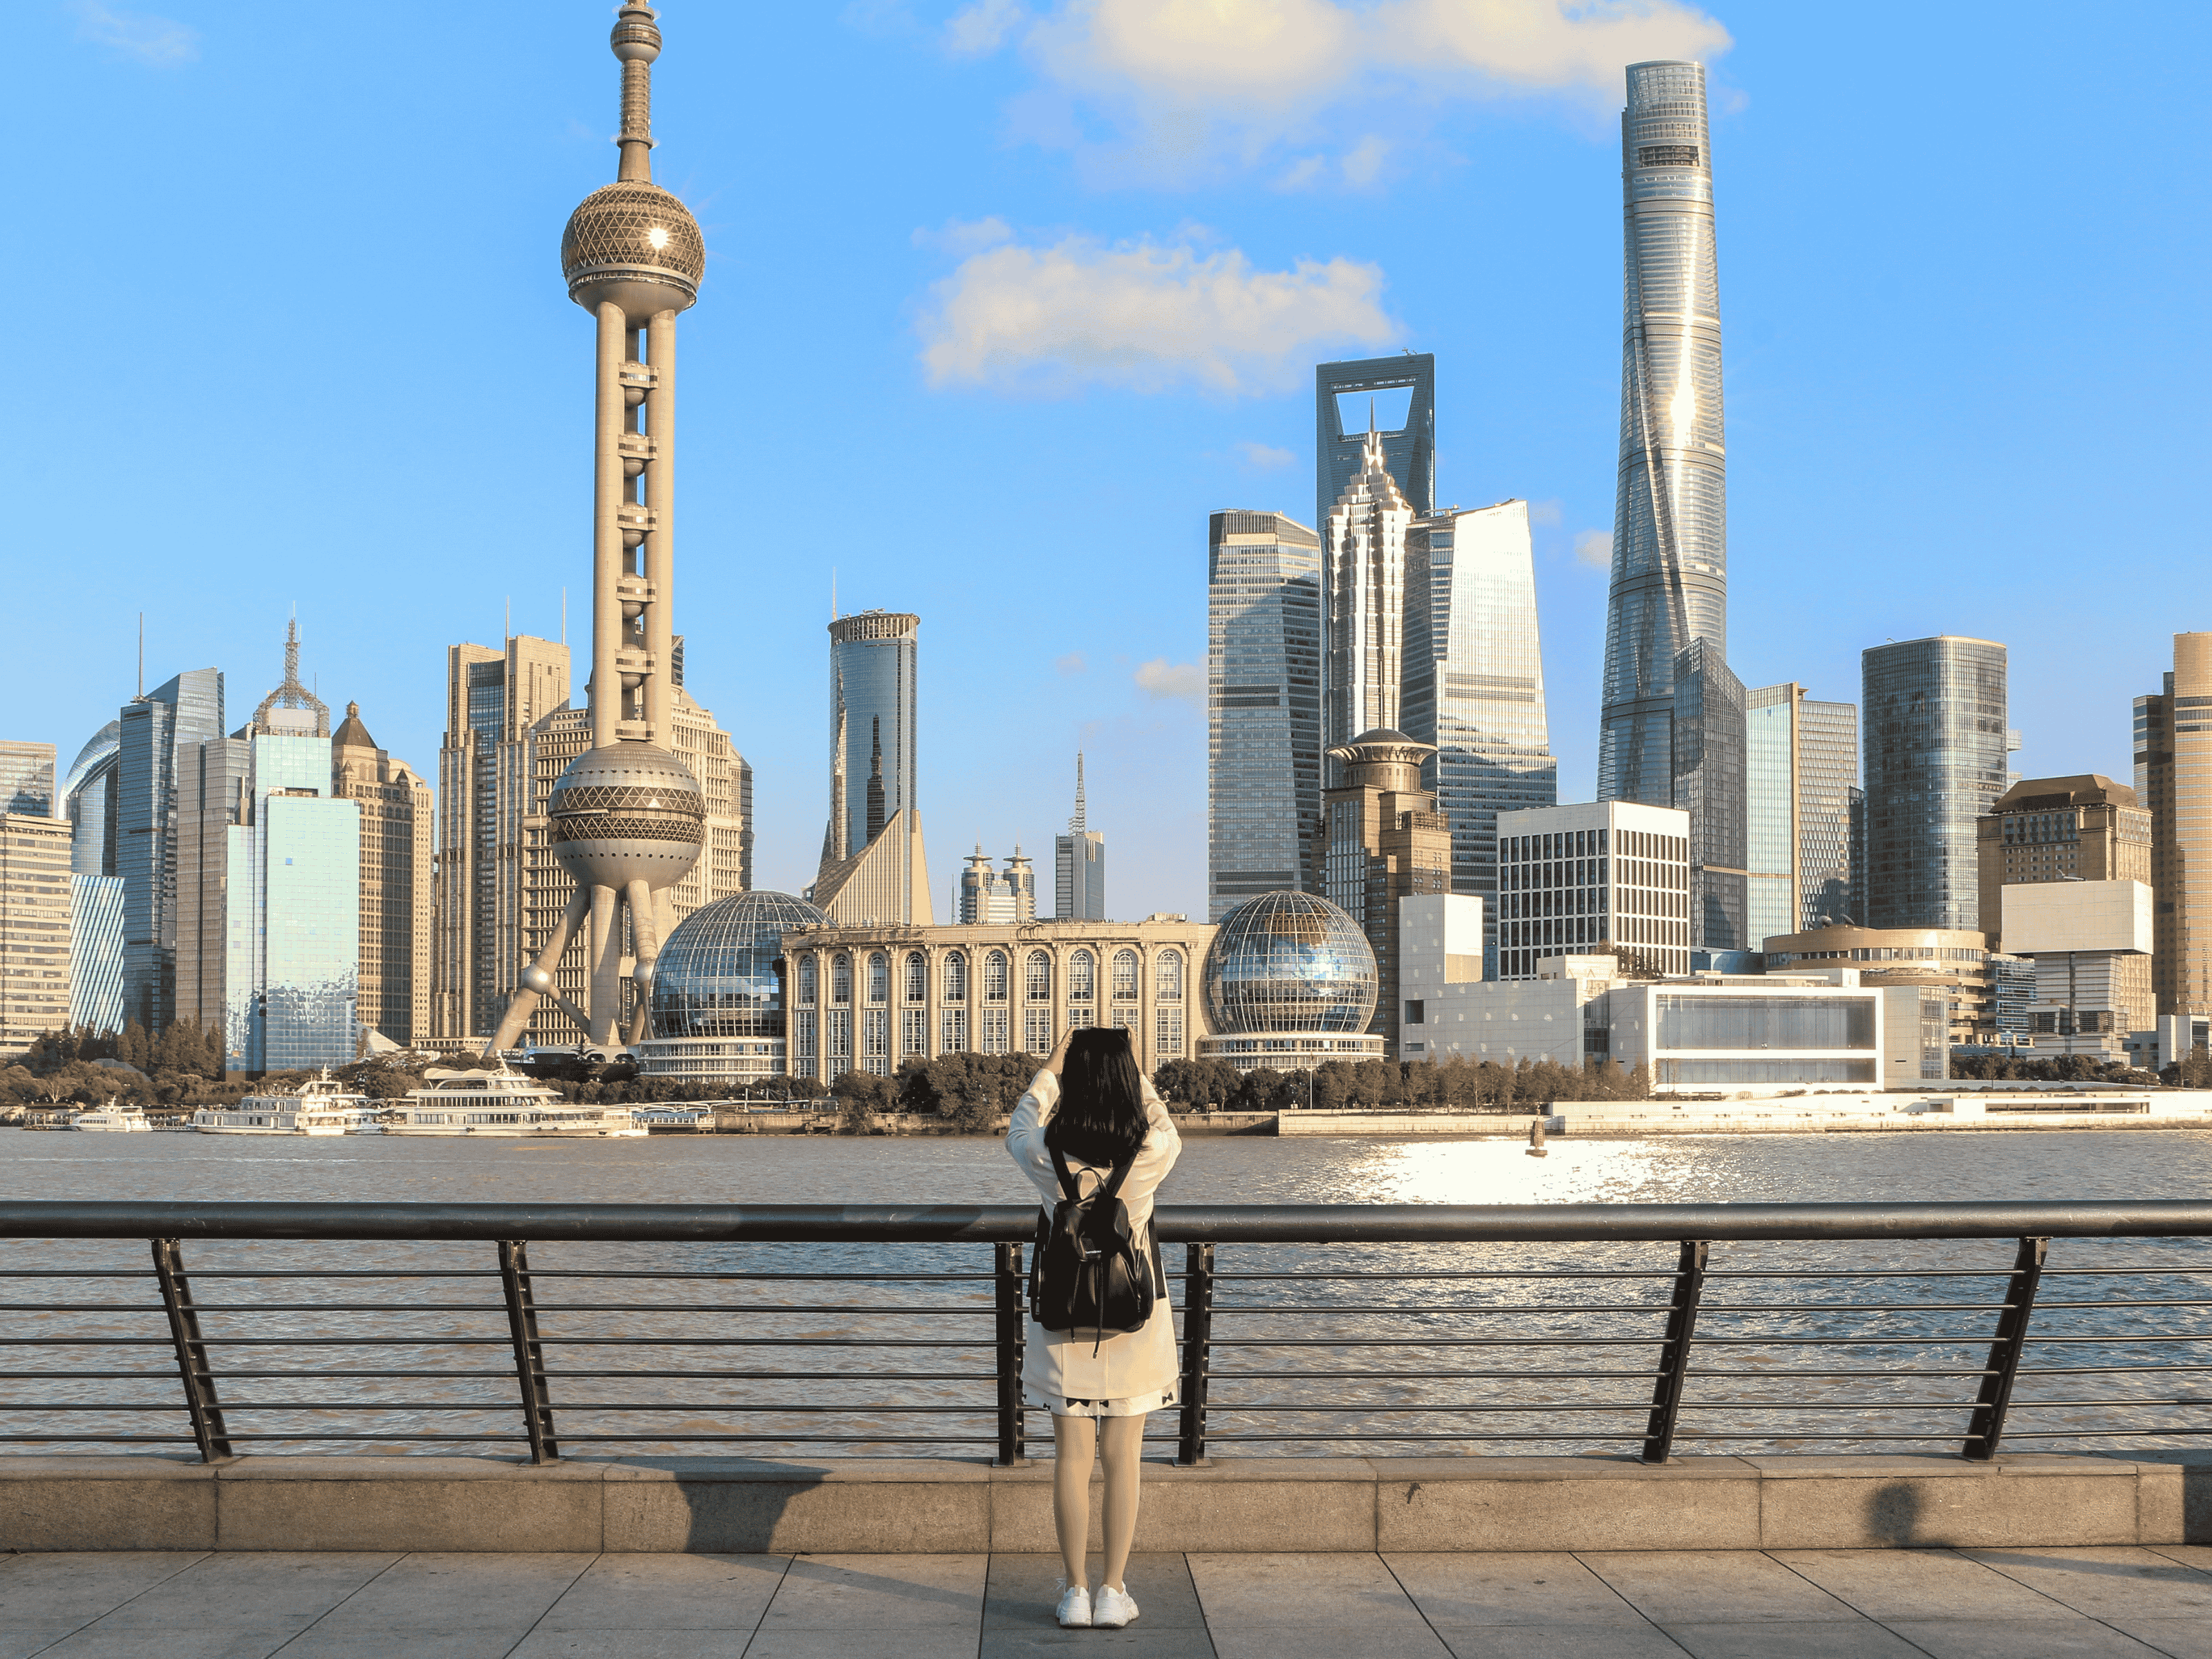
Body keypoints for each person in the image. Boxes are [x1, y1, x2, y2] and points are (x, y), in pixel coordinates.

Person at [1005, 1023, 1182, 1631]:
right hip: (1133, 1320)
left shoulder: (1048, 1156)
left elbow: (1020, 1125)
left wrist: (1053, 1069)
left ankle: (1075, 1592)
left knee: (1071, 1460)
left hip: (1064, 1323)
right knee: (1123, 1458)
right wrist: (1136, 1071)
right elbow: (1164, 1123)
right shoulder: (1149, 1156)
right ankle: (1113, 1591)